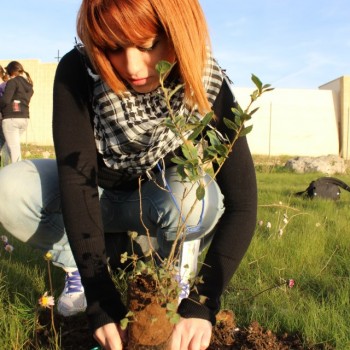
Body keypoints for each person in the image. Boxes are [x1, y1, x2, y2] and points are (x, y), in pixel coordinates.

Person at [0, 1, 257, 349]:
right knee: (9, 190)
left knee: (201, 198)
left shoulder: (203, 82)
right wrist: (100, 296)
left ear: (180, 33)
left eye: (149, 45)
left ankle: (166, 275)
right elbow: (78, 184)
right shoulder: (80, 70)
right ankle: (79, 266)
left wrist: (203, 301)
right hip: (95, 196)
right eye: (113, 47)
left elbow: (242, 203)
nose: (133, 67)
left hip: (153, 198)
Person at [0, 61, 34, 164]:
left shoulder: (13, 82)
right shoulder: (28, 85)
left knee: (14, 151)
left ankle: (18, 174)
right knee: (9, 146)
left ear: (11, 71)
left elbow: (5, 100)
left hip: (11, 119)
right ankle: (7, 170)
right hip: (24, 119)